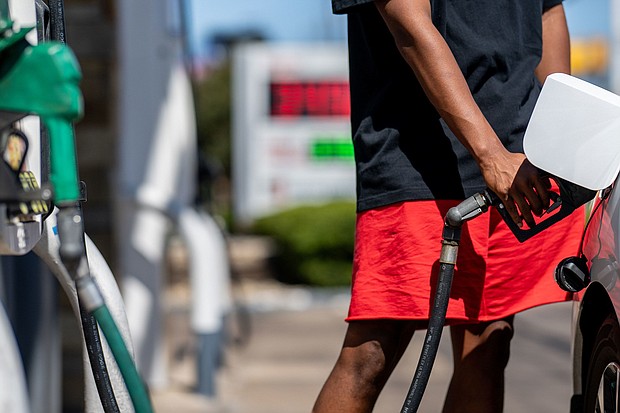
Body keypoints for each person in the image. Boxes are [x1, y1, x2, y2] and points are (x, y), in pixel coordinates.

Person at [313, 1, 584, 412]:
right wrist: (489, 153)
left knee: (489, 341)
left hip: (518, 154)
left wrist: (561, 132)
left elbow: (548, 10)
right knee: (373, 350)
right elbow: (408, 20)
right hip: (417, 158)